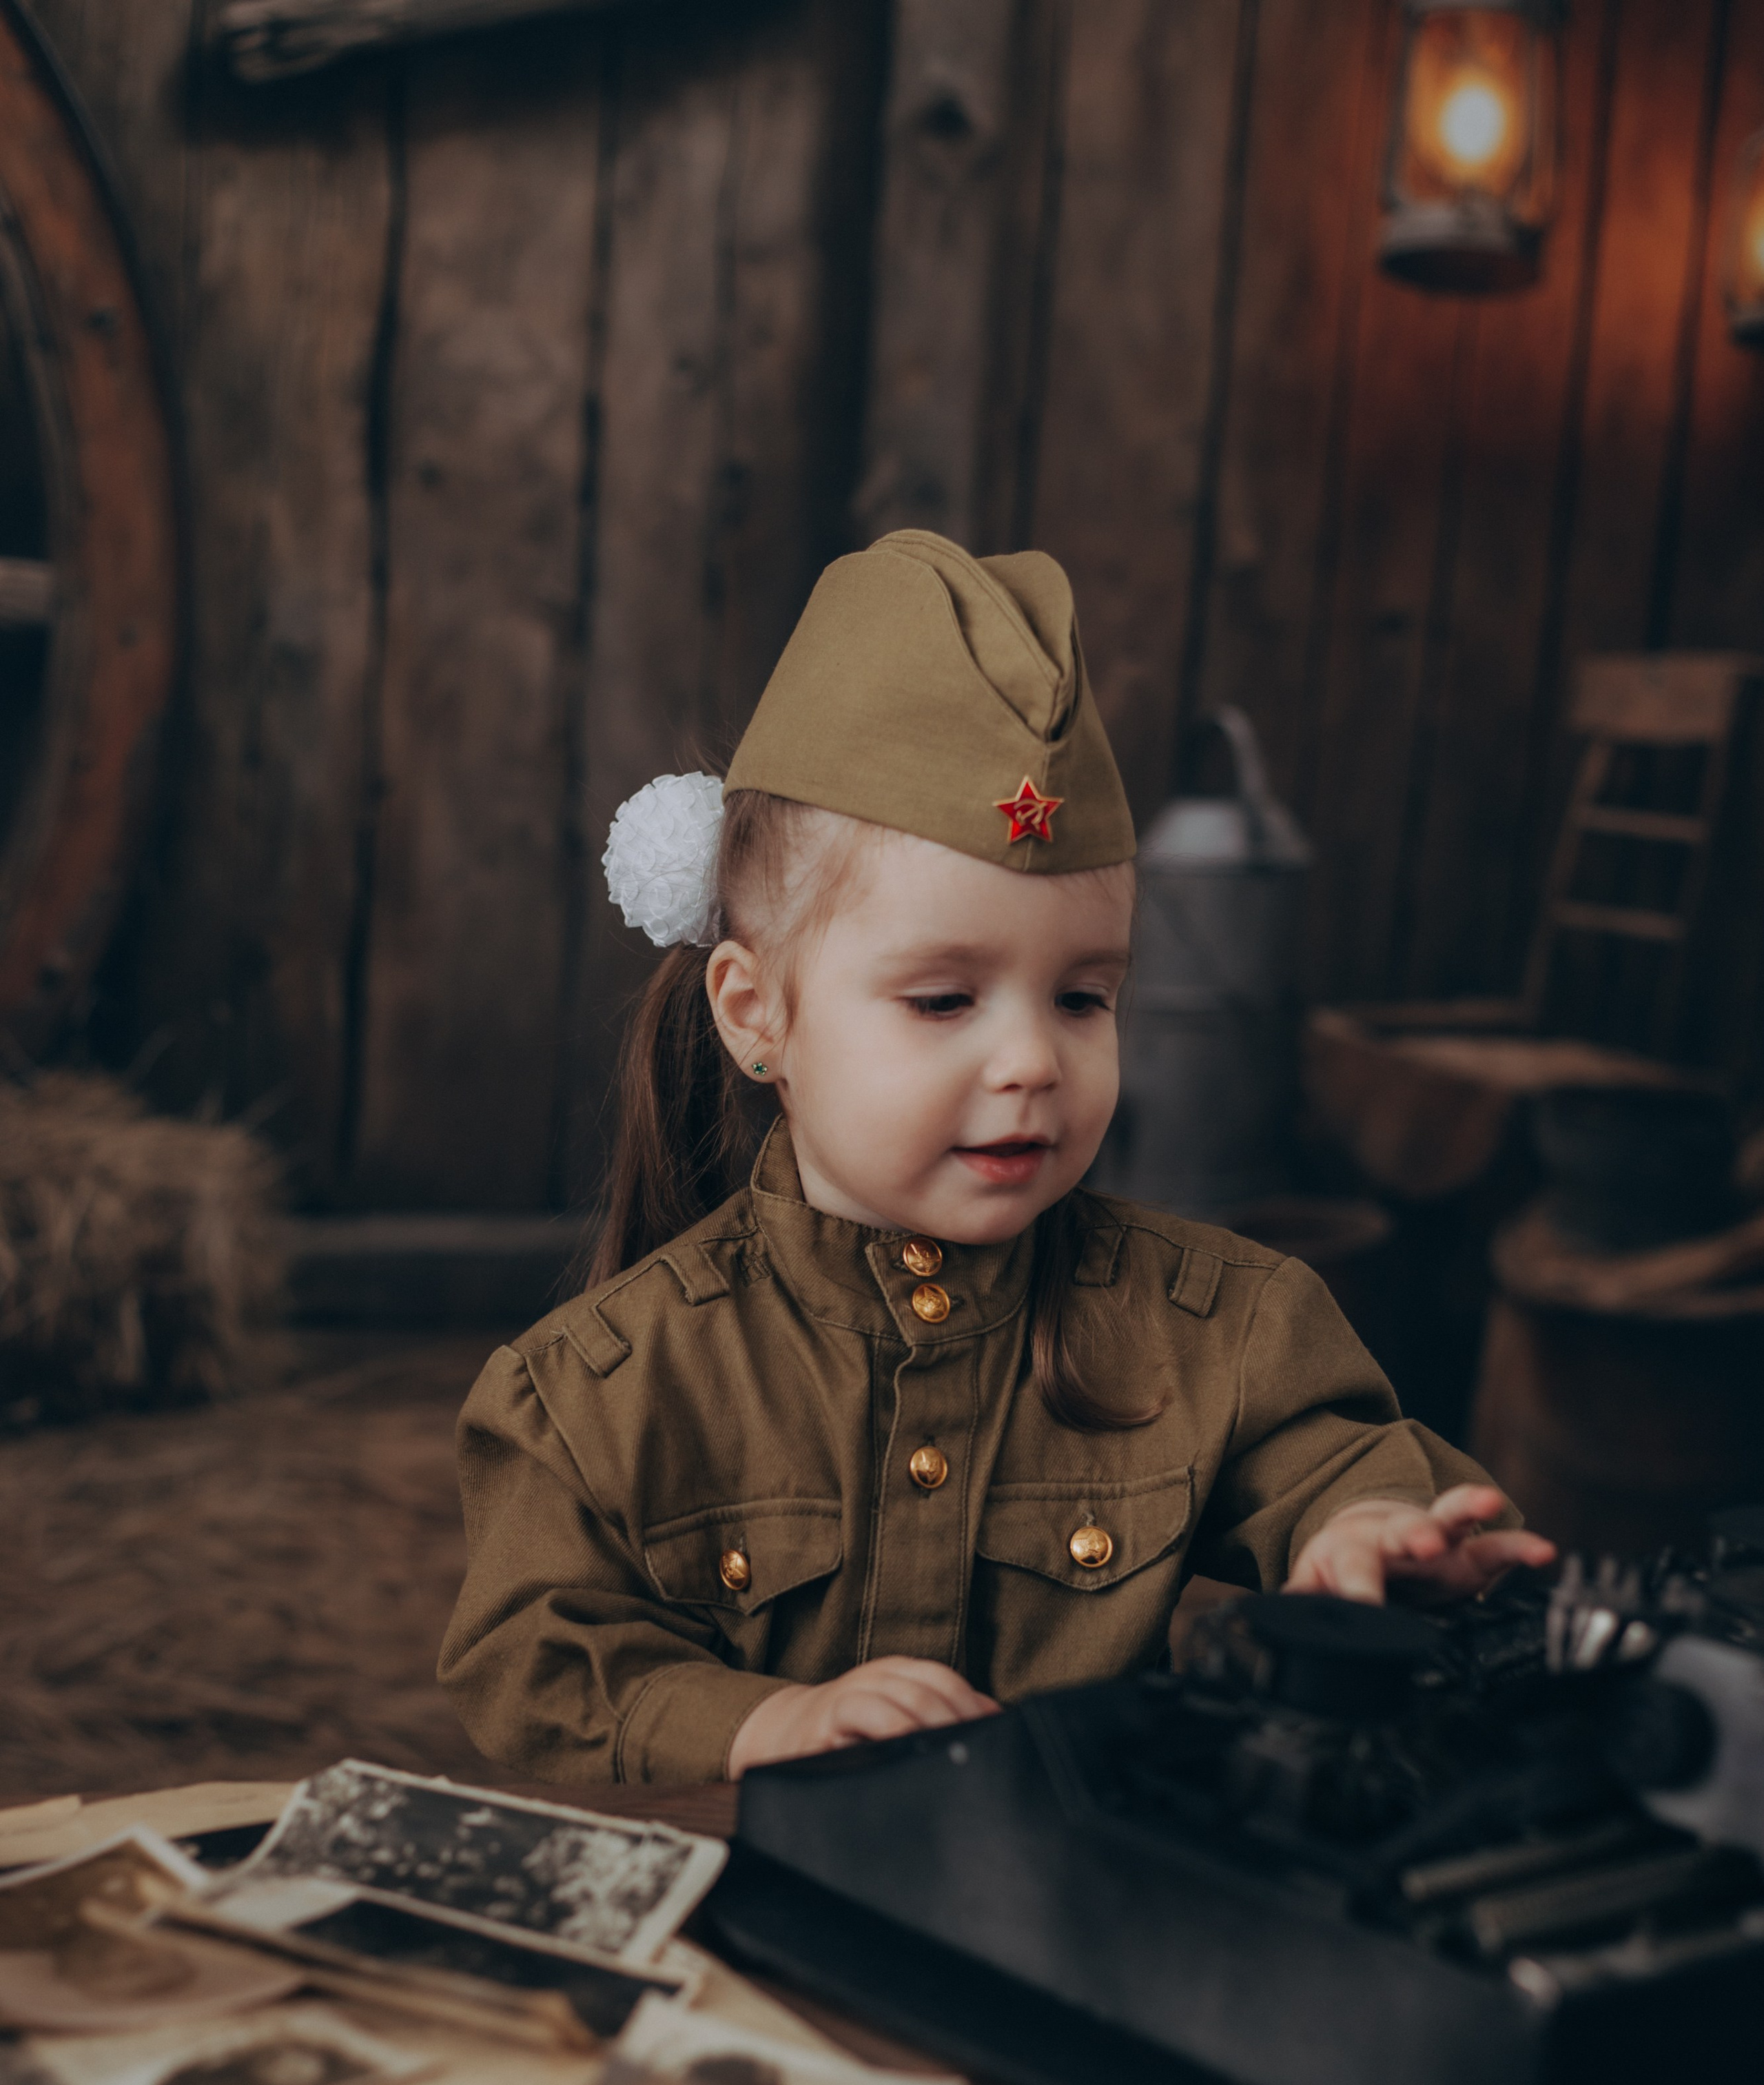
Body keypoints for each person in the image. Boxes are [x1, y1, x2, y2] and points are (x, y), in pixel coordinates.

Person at [439, 531, 1553, 1784]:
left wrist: (1374, 1533)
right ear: (757, 1015)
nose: (1032, 1062)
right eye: (943, 1001)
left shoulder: (1221, 1328)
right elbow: (530, 1654)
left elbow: (1338, 1460)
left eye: (1083, 998)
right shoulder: (602, 1387)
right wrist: (761, 1723)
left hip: (1080, 1890)